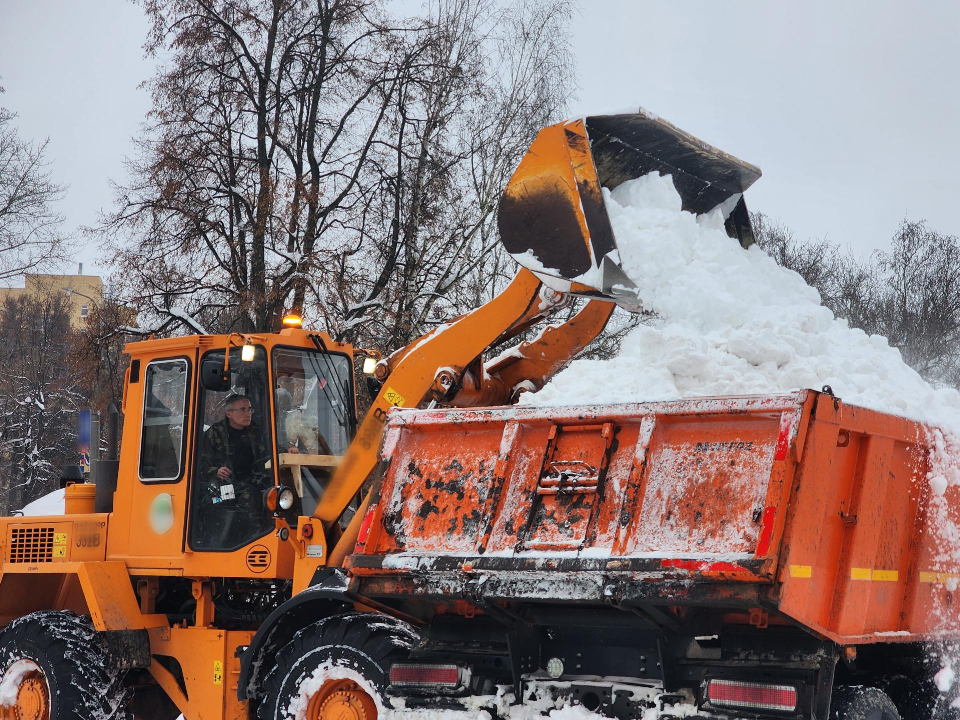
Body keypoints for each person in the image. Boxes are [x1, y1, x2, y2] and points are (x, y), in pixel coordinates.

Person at [199, 393, 269, 518]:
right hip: (224, 485)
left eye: (249, 409)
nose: (248, 414)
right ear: (229, 413)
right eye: (243, 410)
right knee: (249, 494)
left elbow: (270, 450)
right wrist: (216, 471)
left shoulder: (255, 431)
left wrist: (288, 451)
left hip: (255, 479)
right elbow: (200, 463)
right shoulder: (214, 433)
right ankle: (246, 530)